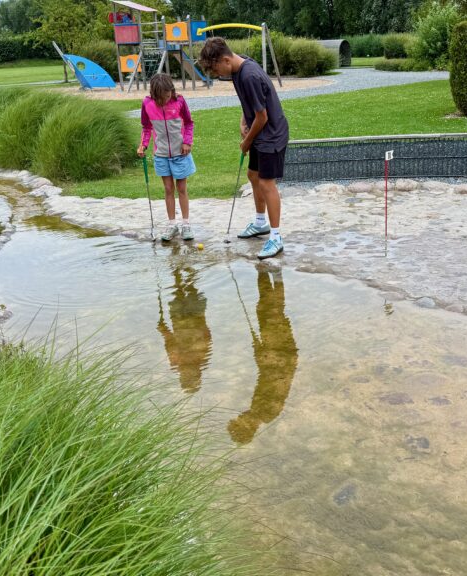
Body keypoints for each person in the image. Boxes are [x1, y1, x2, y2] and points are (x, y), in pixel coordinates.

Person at [199, 37, 289, 259]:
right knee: (252, 175)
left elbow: (263, 116)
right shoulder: (240, 67)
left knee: (267, 183)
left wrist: (247, 140)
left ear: (226, 59)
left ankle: (276, 237)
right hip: (260, 133)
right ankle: (260, 223)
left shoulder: (248, 75)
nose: (217, 74)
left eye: (216, 69)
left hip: (271, 135)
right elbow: (251, 104)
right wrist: (243, 122)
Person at [226, 266, 298, 444]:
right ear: (248, 426)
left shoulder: (259, 410)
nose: (240, 414)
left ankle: (265, 272)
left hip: (275, 353)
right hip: (282, 353)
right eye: (239, 420)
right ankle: (274, 273)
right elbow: (281, 378)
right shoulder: (267, 412)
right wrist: (263, 356)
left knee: (264, 310)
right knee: (274, 312)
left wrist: (261, 354)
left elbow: (268, 378)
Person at [137, 73, 196, 242]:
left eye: (167, 96)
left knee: (182, 189)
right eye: (161, 98)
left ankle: (186, 224)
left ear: (171, 91)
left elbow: (189, 123)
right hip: (161, 154)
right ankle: (172, 225)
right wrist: (143, 145)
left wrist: (187, 142)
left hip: (180, 153)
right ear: (154, 95)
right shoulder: (147, 104)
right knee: (168, 189)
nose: (165, 100)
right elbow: (146, 127)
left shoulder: (179, 101)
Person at [156, 247, 212, 393]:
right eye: (191, 377)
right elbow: (207, 336)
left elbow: (170, 342)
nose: (187, 374)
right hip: (192, 318)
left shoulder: (177, 362)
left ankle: (180, 268)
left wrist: (164, 330)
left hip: (182, 320)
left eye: (186, 377)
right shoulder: (202, 359)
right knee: (185, 290)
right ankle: (183, 268)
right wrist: (163, 330)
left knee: (180, 291)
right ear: (198, 374)